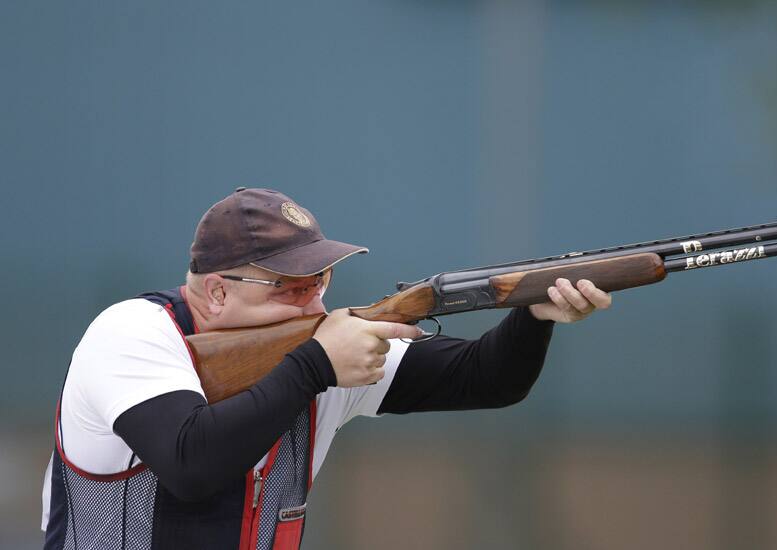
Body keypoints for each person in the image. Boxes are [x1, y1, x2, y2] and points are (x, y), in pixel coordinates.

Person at [41, 188, 612, 550]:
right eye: (290, 287)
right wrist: (314, 367)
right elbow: (191, 463)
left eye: (321, 281)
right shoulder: (132, 334)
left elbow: (488, 379)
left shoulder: (322, 350)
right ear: (215, 292)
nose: (314, 305)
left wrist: (534, 316)